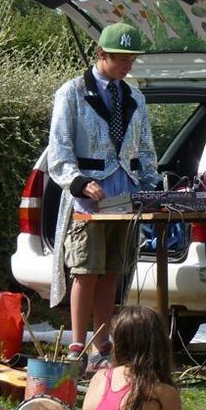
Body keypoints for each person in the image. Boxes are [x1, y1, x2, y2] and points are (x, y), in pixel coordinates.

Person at [48, 22, 160, 371]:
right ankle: (77, 346)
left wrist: (150, 187)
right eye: (122, 59)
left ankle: (103, 344)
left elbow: (145, 149)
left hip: (123, 195)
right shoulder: (72, 93)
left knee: (112, 269)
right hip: (89, 199)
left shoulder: (134, 97)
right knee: (85, 269)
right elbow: (59, 149)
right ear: (102, 55)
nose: (128, 66)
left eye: (132, 60)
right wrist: (78, 182)